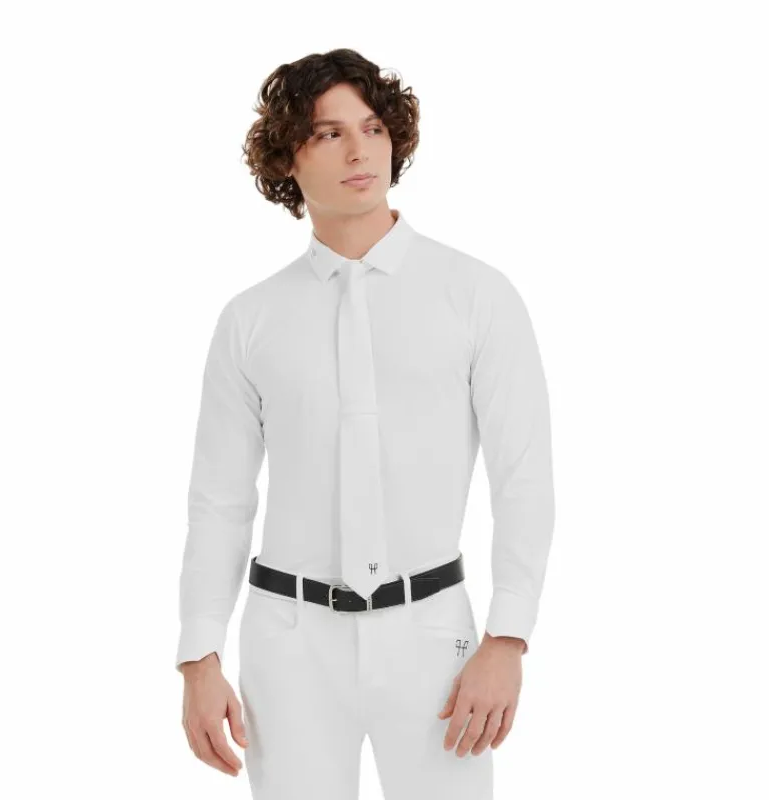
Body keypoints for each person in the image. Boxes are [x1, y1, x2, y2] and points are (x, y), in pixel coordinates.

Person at [176, 48, 555, 800]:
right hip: (288, 645)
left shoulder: (476, 295)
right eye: (329, 133)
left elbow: (524, 478)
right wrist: (199, 655)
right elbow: (220, 499)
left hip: (434, 640)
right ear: (288, 156)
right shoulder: (251, 319)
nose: (359, 150)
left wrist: (507, 638)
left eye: (373, 127)